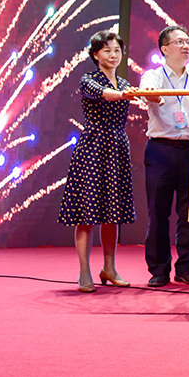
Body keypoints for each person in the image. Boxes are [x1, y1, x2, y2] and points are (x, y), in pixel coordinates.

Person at [58, 30, 137, 293]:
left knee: (112, 214)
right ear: (96, 54)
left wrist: (151, 96)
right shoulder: (88, 80)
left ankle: (109, 268)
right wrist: (126, 95)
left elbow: (140, 97)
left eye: (117, 50)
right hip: (93, 147)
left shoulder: (124, 83)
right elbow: (105, 94)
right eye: (107, 50)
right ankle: (84, 271)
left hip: (117, 147)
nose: (113, 55)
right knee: (87, 213)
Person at [140, 25, 189, 287]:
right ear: (165, 48)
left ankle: (185, 267)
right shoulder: (153, 75)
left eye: (188, 41)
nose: (186, 46)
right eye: (180, 41)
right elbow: (148, 93)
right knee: (158, 213)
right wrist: (156, 96)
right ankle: (159, 270)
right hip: (161, 150)